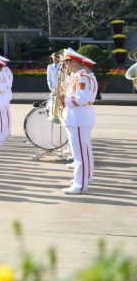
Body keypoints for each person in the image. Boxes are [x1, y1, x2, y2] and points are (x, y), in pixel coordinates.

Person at [61, 48, 97, 194]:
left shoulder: (82, 77)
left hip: (79, 118)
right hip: (78, 117)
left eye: (68, 62)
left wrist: (65, 100)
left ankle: (79, 185)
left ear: (75, 62)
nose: (66, 66)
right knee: (84, 152)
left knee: (80, 154)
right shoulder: (79, 76)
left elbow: (81, 99)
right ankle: (84, 178)